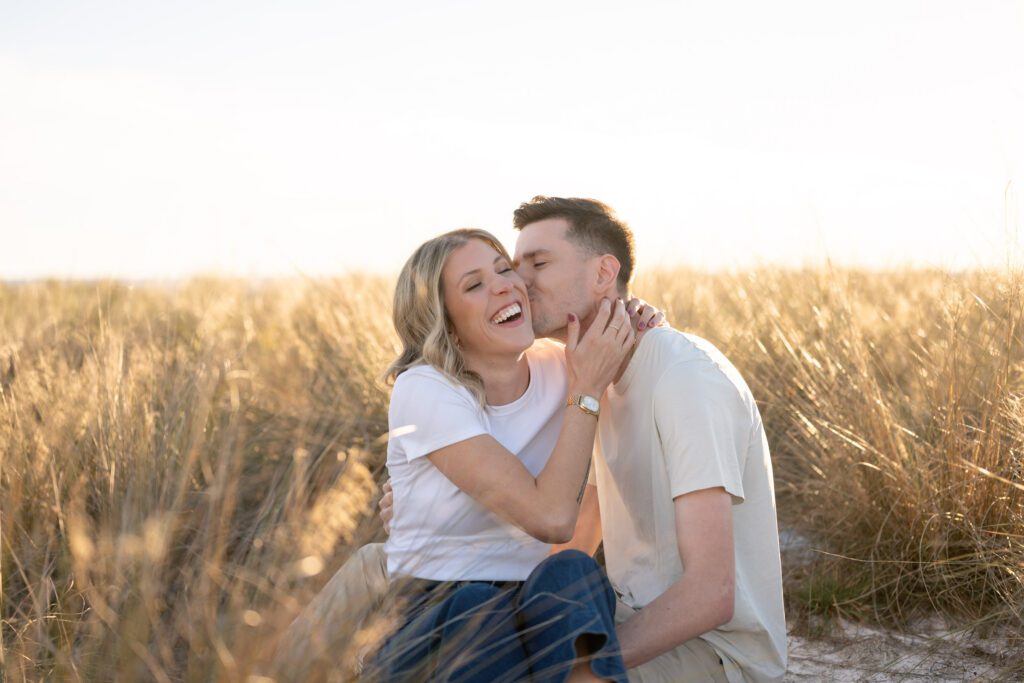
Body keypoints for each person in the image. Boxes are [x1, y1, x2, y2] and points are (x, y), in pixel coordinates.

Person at [360, 228, 656, 683]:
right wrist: (586, 392)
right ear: (444, 321)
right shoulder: (424, 389)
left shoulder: (562, 368)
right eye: (474, 285)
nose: (504, 284)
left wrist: (639, 317)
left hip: (527, 609)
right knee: (479, 607)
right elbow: (553, 519)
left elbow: (623, 334)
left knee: (572, 574)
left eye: (504, 269)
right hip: (436, 617)